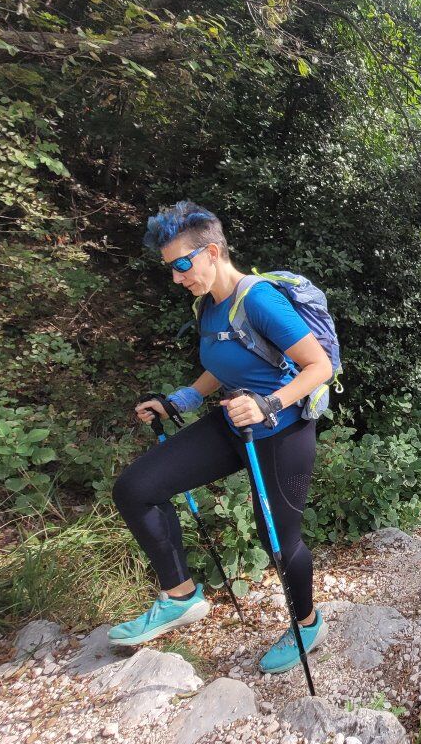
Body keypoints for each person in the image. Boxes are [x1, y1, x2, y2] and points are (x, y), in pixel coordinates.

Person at [111, 202, 331, 676]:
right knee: (136, 488)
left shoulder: (258, 300)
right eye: (170, 268)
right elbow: (222, 365)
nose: (176, 277)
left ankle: (307, 623)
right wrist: (179, 401)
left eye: (181, 265)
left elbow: (319, 366)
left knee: (279, 541)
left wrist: (269, 404)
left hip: (283, 430)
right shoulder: (208, 305)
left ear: (211, 252)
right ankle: (180, 594)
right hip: (234, 422)